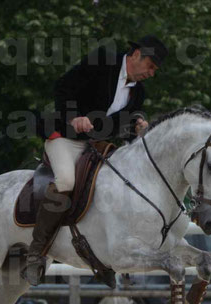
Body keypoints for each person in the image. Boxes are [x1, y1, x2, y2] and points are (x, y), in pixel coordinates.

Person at [21, 35, 168, 285]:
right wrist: (74, 116)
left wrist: (137, 125)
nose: (152, 73)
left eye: (155, 69)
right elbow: (63, 87)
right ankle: (36, 252)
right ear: (136, 55)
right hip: (65, 136)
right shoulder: (102, 61)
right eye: (151, 66)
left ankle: (103, 256)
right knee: (66, 182)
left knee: (117, 188)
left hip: (97, 147)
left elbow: (120, 125)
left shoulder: (138, 94)